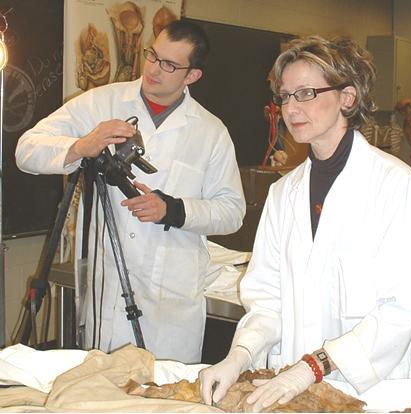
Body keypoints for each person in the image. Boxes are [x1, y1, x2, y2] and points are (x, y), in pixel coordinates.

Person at [200, 35, 411, 411]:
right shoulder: (284, 193)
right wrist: (240, 354)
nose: (291, 107)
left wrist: (313, 367)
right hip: (293, 388)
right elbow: (267, 297)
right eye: (285, 95)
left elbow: (397, 311)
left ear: (347, 98)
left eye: (305, 92)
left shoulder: (395, 185)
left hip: (370, 387)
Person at [15, 20, 245, 364]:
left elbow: (232, 212)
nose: (153, 69)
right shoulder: (100, 104)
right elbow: (26, 150)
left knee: (164, 398)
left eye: (170, 65)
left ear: (192, 76)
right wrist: (82, 145)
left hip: (171, 308)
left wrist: (174, 210)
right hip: (107, 296)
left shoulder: (210, 132)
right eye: (153, 56)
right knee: (101, 396)